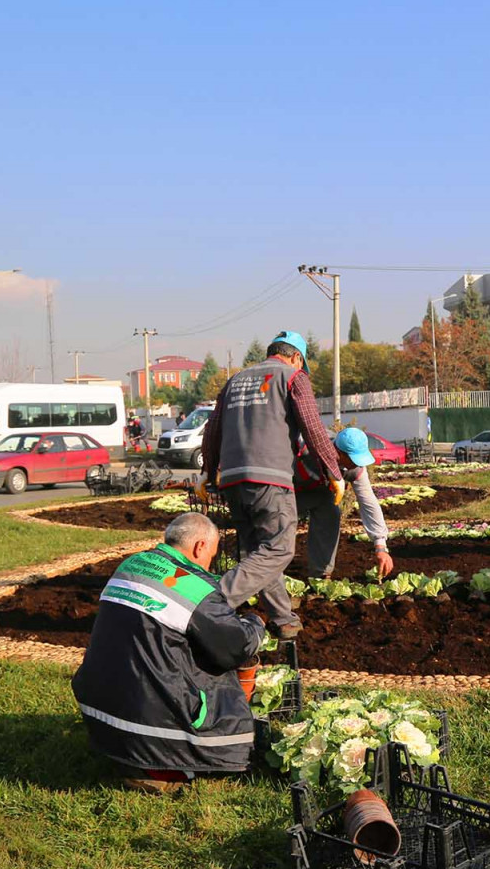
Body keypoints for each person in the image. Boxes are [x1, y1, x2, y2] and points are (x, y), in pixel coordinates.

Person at [71, 513, 266, 793]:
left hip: (99, 707)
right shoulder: (191, 586)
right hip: (147, 721)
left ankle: (132, 751)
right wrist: (255, 625)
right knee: (220, 679)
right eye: (211, 555)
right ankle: (161, 768)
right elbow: (235, 647)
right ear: (199, 547)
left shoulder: (131, 564)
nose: (209, 563)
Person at [201, 331, 343, 639]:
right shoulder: (293, 377)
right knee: (279, 550)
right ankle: (211, 601)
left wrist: (208, 472)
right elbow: (313, 427)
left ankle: (284, 620)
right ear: (296, 358)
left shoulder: (235, 381)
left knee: (258, 553)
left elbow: (213, 429)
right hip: (270, 478)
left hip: (233, 481)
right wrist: (333, 471)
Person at [295, 425, 394, 579]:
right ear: (339, 453)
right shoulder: (307, 446)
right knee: (279, 525)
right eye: (354, 459)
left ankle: (321, 575)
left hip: (318, 490)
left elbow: (368, 502)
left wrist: (380, 546)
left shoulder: (356, 469)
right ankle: (267, 572)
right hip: (288, 489)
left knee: (331, 513)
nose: (358, 464)